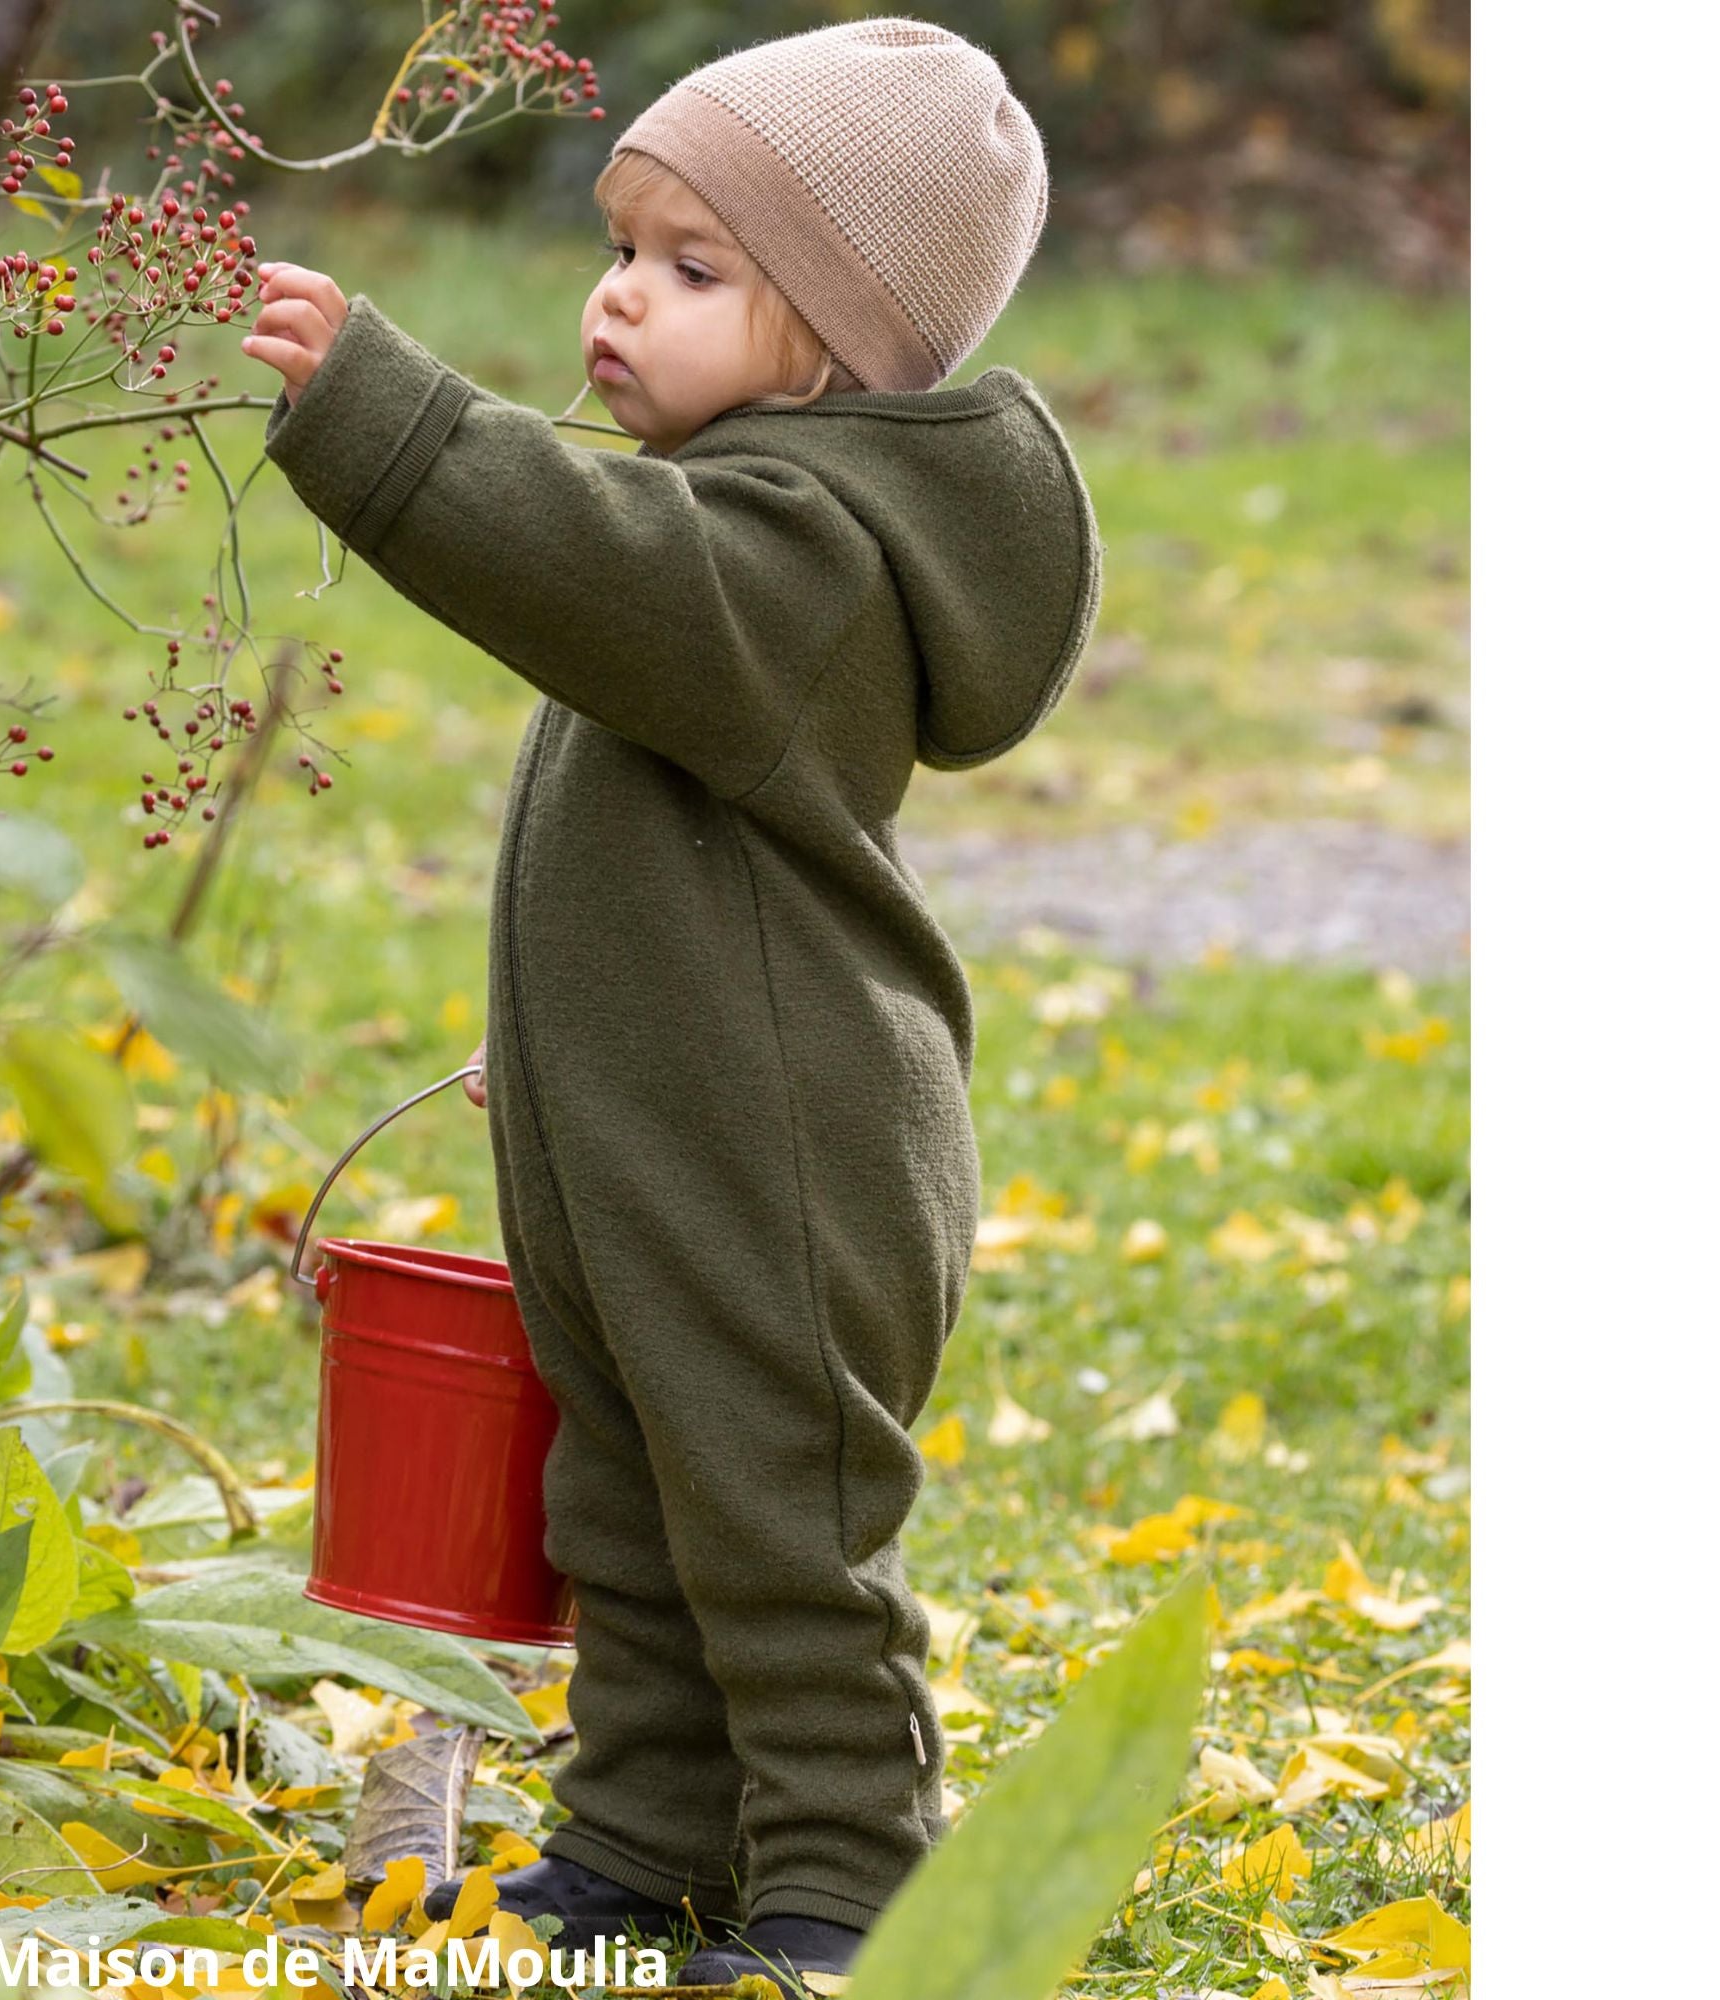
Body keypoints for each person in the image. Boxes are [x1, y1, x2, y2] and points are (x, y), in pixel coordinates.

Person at [244, 16, 1103, 1990]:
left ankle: (853, 1866)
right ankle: (645, 1836)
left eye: (696, 268)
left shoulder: (799, 553)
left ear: (841, 340)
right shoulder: (741, 512)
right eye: (623, 245)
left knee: (777, 1523)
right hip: (659, 1120)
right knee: (624, 1491)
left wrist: (394, 419)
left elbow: (584, 558)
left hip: (783, 1144)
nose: (622, 294)